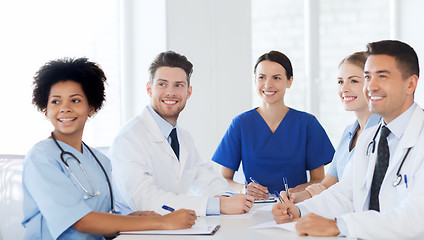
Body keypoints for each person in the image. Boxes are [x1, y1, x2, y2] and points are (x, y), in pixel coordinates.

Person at [22, 58, 196, 240]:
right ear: (45, 108)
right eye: (55, 102)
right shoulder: (41, 158)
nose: (65, 109)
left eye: (75, 100)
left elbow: (102, 226)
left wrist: (129, 219)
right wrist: (163, 222)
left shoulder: (99, 160)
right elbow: (82, 221)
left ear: (91, 108)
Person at [272, 40, 424, 239]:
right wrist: (300, 210)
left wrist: (340, 226)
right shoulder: (371, 137)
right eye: (368, 77)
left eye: (382, 76)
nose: (371, 86)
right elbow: (345, 193)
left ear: (410, 84)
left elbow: (417, 218)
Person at [110, 51, 254, 217]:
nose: (170, 92)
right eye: (162, 84)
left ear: (188, 92)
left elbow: (205, 177)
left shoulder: (183, 137)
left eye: (178, 85)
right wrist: (217, 205)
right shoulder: (129, 137)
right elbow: (143, 199)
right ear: (149, 89)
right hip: (137, 232)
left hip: (173, 227)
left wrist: (225, 197)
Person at [212, 50, 335, 199]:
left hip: (295, 206)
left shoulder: (307, 124)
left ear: (289, 81)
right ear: (255, 80)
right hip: (251, 209)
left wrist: (300, 191)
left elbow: (319, 179)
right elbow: (224, 179)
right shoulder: (241, 124)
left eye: (276, 78)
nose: (268, 84)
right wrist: (244, 189)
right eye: (262, 77)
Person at [291, 52, 380, 203]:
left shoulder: (384, 132)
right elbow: (326, 185)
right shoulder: (348, 133)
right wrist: (295, 198)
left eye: (353, 81)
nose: (344, 89)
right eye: (340, 82)